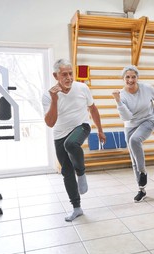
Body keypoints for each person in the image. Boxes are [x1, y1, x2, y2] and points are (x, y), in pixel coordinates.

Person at [42, 59, 106, 222]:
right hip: (59, 133)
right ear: (55, 75)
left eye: (71, 73)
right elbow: (50, 123)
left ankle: (82, 173)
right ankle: (77, 208)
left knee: (70, 144)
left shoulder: (82, 88)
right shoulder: (48, 95)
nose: (69, 77)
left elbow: (93, 108)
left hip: (81, 126)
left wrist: (100, 129)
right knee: (66, 172)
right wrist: (55, 100)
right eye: (64, 74)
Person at [112, 65, 154, 203]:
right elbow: (127, 117)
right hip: (130, 125)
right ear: (123, 79)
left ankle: (143, 172)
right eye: (127, 77)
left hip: (148, 120)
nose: (130, 80)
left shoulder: (146, 88)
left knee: (135, 140)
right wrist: (117, 101)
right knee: (134, 159)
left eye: (133, 77)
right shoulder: (122, 95)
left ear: (137, 78)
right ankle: (141, 189)